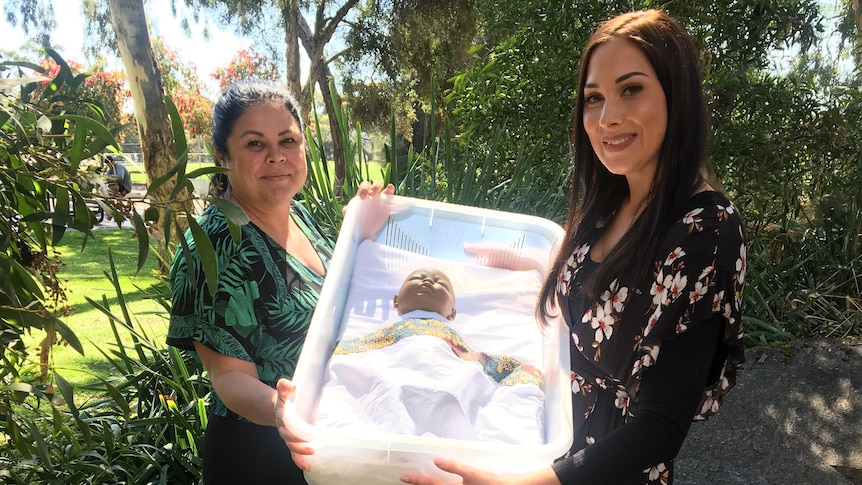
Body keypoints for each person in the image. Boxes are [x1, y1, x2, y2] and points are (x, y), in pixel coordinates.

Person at [281, 9, 748, 484]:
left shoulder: (705, 232)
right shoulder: (614, 200)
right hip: (540, 446)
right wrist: (539, 266)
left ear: (677, 94)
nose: (607, 117)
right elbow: (609, 284)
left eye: (631, 89)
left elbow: (659, 428)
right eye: (593, 98)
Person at [166, 79, 394, 485]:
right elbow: (229, 377)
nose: (276, 157)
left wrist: (358, 228)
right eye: (255, 144)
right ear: (222, 155)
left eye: (288, 140)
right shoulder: (211, 246)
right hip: (261, 454)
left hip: (326, 442)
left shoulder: (299, 215)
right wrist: (282, 410)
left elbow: (333, 298)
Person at [315, 267, 544, 440]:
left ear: (452, 313)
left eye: (440, 283)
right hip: (391, 380)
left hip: (446, 381)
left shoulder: (454, 338)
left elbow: (472, 361)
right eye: (417, 278)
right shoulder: (380, 336)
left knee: (459, 389)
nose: (427, 281)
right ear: (396, 301)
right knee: (384, 390)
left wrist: (517, 371)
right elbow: (352, 357)